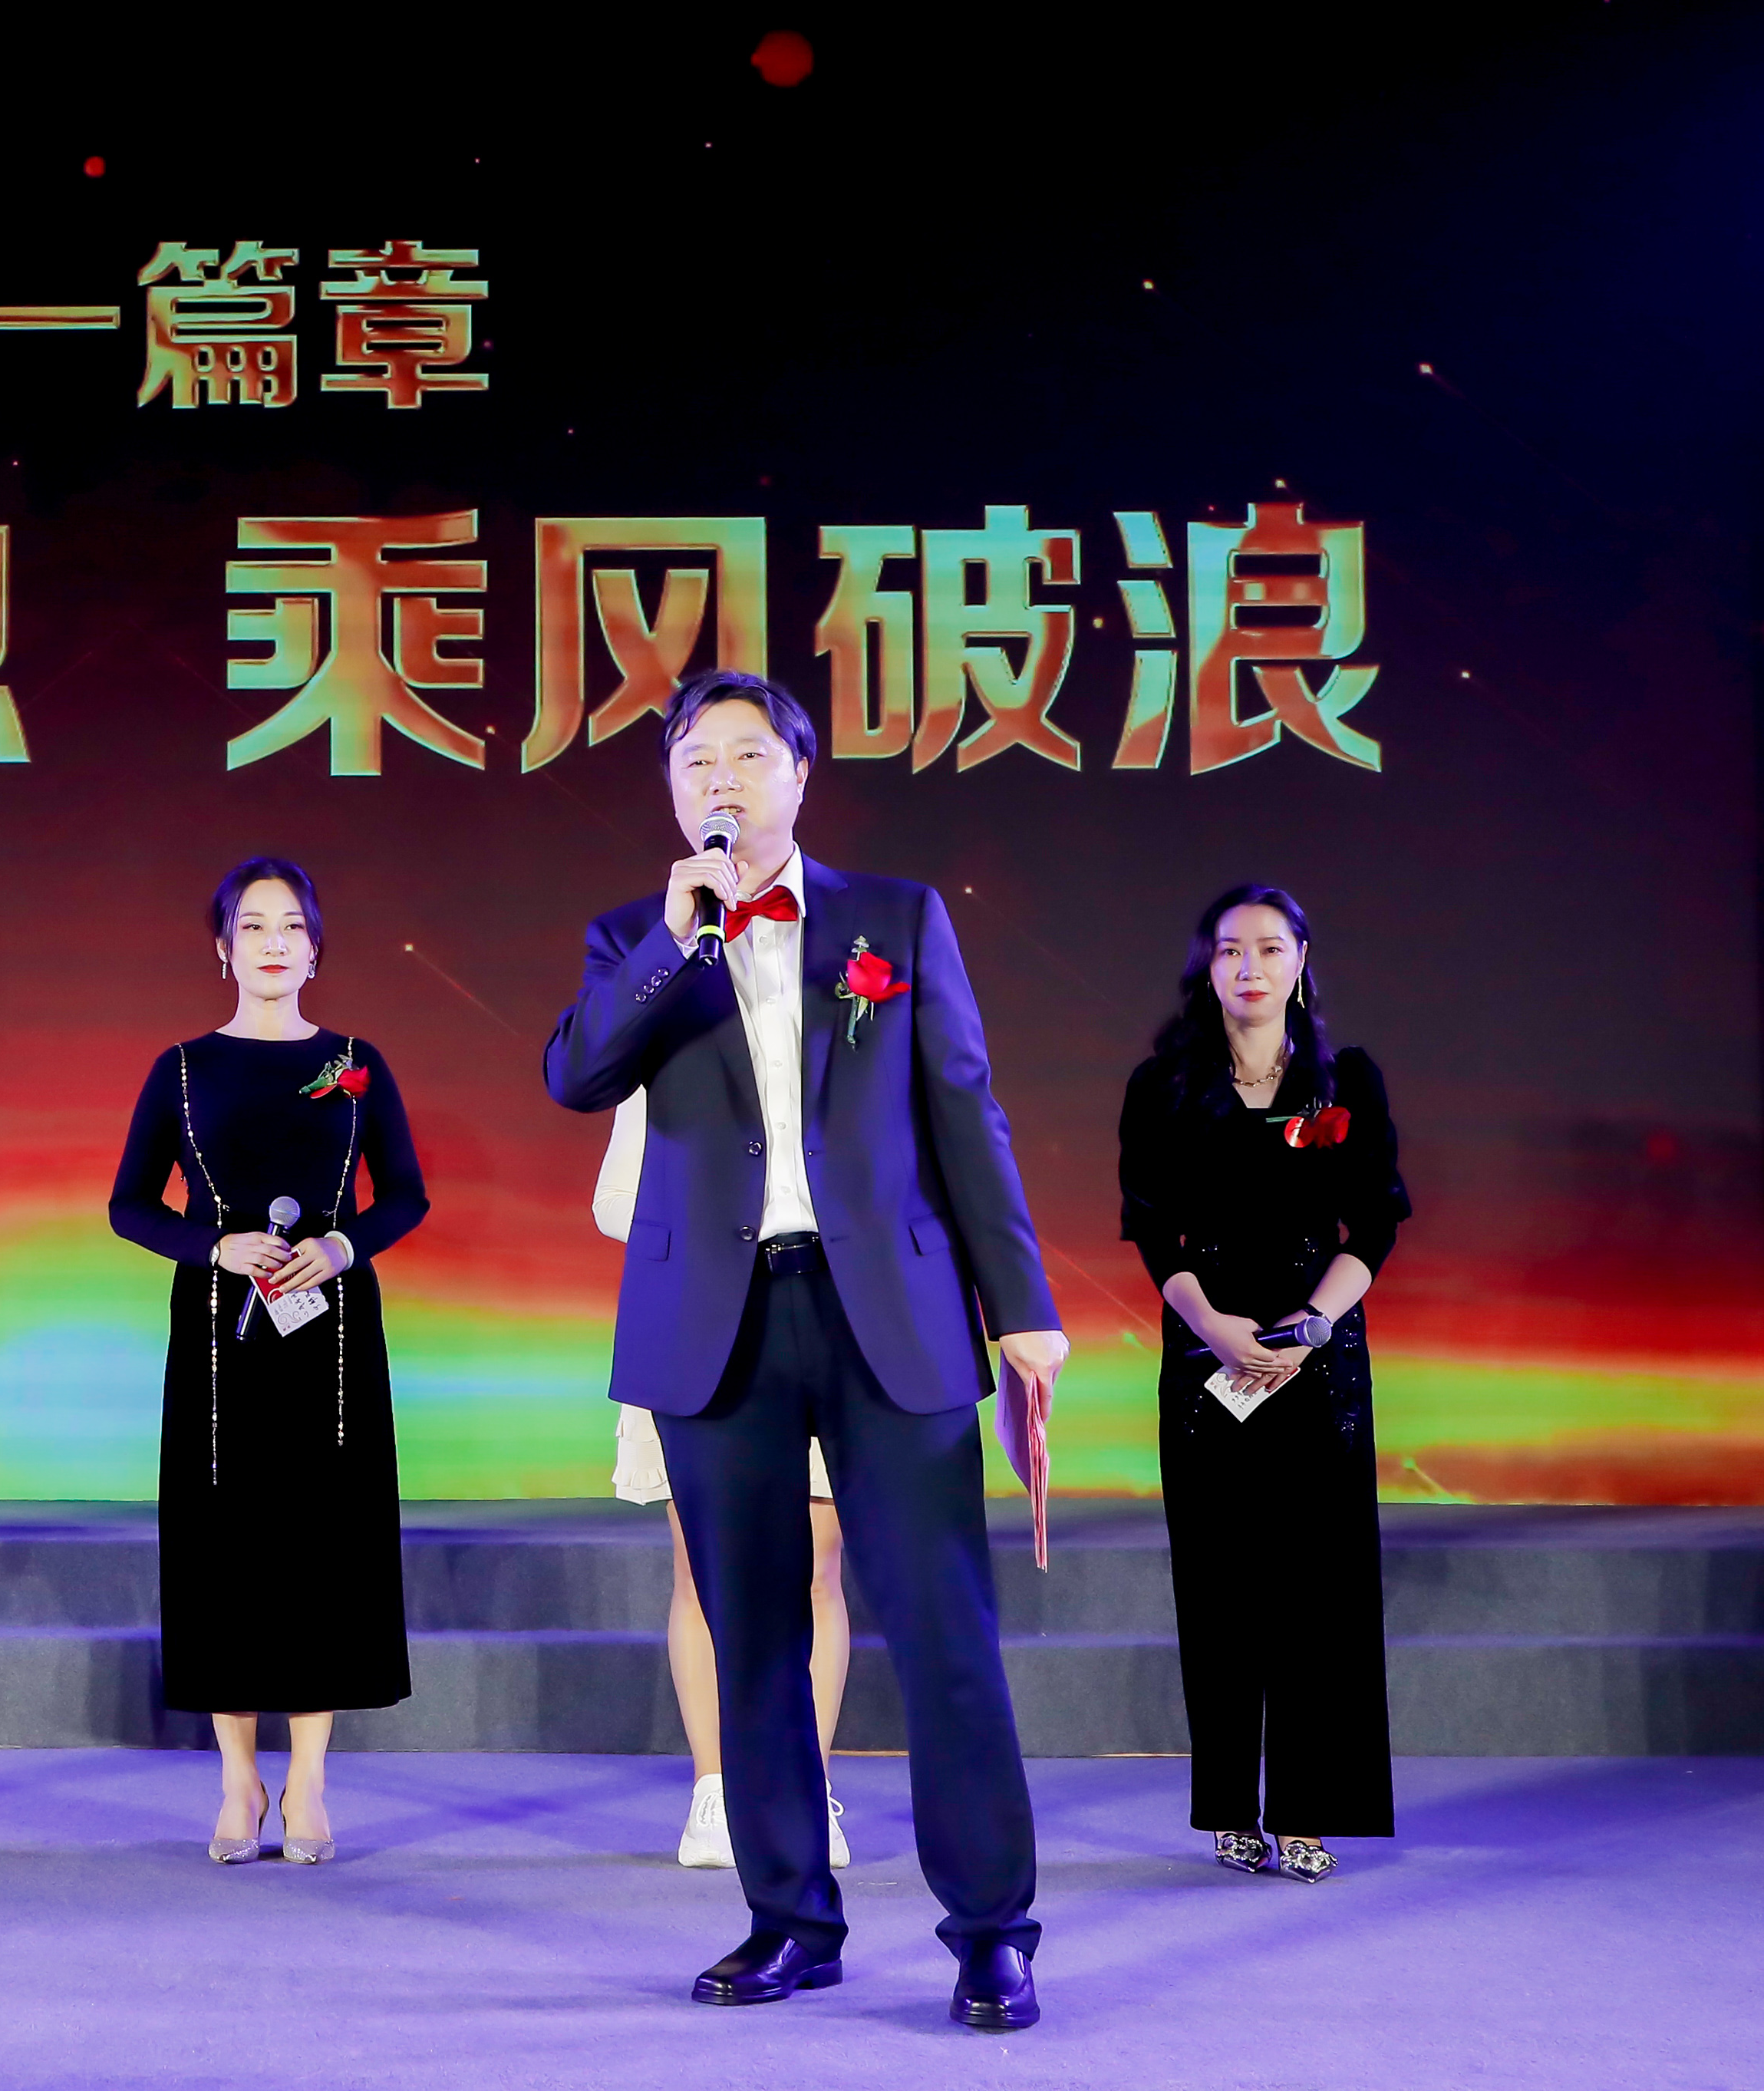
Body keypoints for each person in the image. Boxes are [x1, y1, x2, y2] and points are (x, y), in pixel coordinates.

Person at [544, 669, 1069, 2033]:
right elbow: (575, 1075)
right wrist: (672, 946)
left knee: (941, 1627)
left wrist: (1019, 1303)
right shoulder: (634, 938)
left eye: (743, 755)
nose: (716, 779)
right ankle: (787, 1918)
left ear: (797, 773)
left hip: (887, 1309)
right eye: (691, 762)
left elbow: (965, 1113)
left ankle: (991, 1931)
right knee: (755, 1636)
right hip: (714, 1322)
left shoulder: (894, 918)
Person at [110, 858, 427, 1866]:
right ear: (223, 948)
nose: (274, 942)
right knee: (226, 1547)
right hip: (219, 1340)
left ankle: (309, 1781)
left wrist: (340, 1246)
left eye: (291, 925)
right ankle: (237, 1779)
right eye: (253, 926)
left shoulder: (355, 1062)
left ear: (315, 946)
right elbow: (129, 1204)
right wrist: (215, 1245)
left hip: (329, 1337)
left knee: (321, 1544)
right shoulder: (182, 1068)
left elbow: (405, 1194)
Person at [1118, 885, 1407, 1885]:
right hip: (1208, 1353)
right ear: (1205, 966)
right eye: (1229, 949)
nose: (1249, 966)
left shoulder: (1345, 1081)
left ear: (1300, 961)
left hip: (1317, 1354)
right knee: (1219, 1588)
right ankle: (1227, 1809)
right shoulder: (1162, 1085)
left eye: (1269, 947)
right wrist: (1210, 1326)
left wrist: (1312, 1325)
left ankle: (1306, 1810)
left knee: (1317, 1592)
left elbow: (1374, 1221)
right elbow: (1152, 1230)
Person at [593, 1093, 852, 1871]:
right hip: (698, 1325)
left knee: (816, 1572)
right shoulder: (669, 1060)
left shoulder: (832, 1053)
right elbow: (614, 1201)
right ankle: (715, 1788)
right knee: (703, 1574)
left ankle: (807, 1789)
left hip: (825, 1323)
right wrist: (727, 1227)